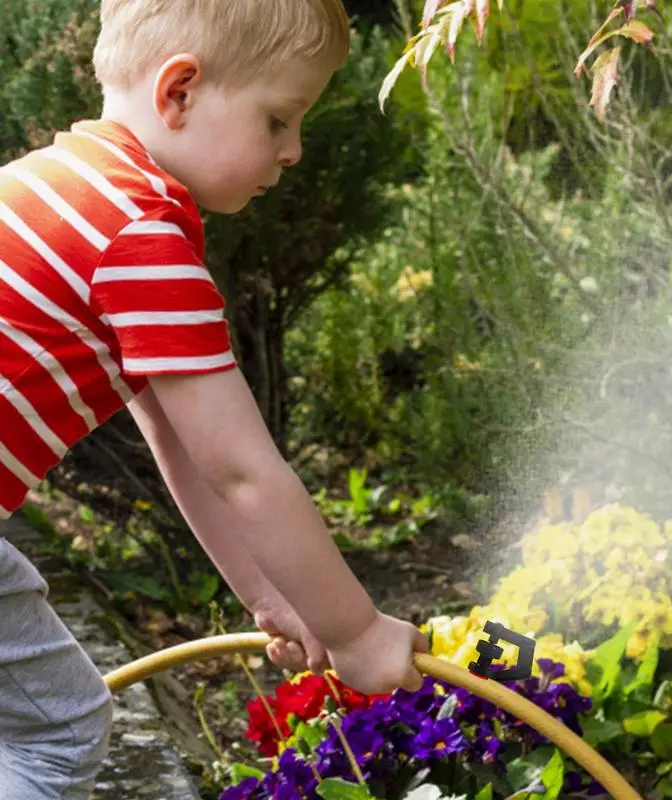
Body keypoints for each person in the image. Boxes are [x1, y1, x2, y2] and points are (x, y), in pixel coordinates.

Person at [0, 1, 430, 796]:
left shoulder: (60, 184)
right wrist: (357, 631)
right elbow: (243, 471)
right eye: (278, 120)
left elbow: (182, 446)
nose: (295, 151)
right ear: (180, 91)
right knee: (58, 733)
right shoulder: (140, 236)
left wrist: (273, 595)